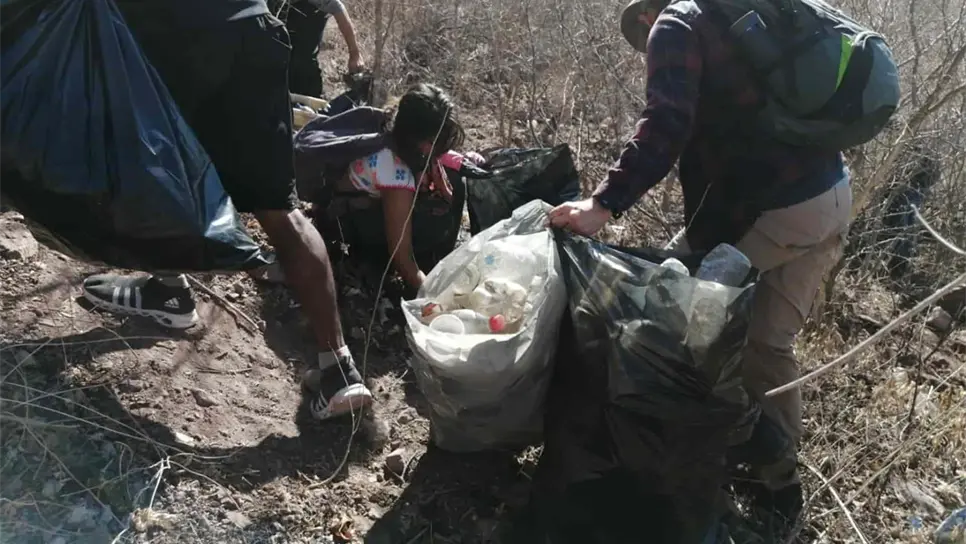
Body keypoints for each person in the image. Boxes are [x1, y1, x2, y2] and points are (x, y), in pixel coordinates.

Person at [548, 0, 852, 536]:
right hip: (827, 197)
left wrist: (603, 204)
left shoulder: (676, 23)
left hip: (770, 207)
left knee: (677, 314)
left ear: (647, 18)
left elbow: (667, 123)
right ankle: (781, 484)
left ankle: (688, 447)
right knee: (767, 345)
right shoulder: (741, 17)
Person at [83, 0, 372, 422]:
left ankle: (168, 290)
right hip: (254, 31)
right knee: (280, 208)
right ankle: (338, 369)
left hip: (181, 33)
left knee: (155, 161)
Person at [314, 84, 483, 289]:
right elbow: (403, 260)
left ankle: (437, 263)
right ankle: (377, 262)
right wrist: (435, 295)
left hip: (361, 201)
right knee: (435, 225)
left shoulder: (394, 131)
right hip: (347, 220)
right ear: (424, 143)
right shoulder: (396, 174)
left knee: (456, 180)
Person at [270, 0, 365, 98]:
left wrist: (354, 54)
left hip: (304, 62)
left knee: (302, 64)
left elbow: (338, 10)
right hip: (274, 57)